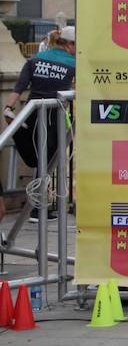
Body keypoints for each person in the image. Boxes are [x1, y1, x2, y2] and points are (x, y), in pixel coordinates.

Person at [5, 26, 77, 221]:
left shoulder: (35, 60)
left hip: (32, 114)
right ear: (70, 44)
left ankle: (38, 206)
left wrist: (8, 108)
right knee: (50, 160)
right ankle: (39, 207)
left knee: (40, 159)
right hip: (55, 117)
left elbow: (19, 87)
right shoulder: (73, 63)